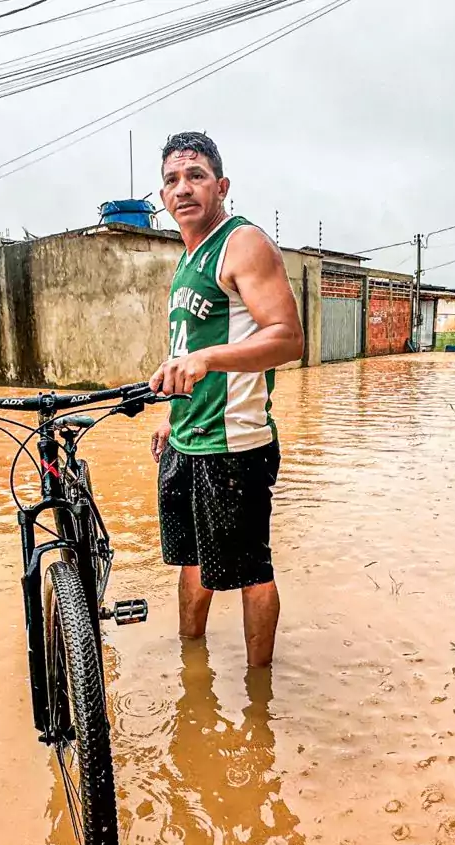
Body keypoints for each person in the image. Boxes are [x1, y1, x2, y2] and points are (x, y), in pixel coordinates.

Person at [149, 132, 304, 669]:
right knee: (190, 562)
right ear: (163, 195)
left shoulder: (243, 243)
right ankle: (192, 670)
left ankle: (259, 698)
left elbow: (288, 337)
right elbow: (184, 351)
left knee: (250, 572)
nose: (183, 188)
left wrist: (211, 359)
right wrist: (173, 419)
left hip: (234, 443)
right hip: (187, 439)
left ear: (222, 185)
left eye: (195, 176)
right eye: (172, 180)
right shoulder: (186, 259)